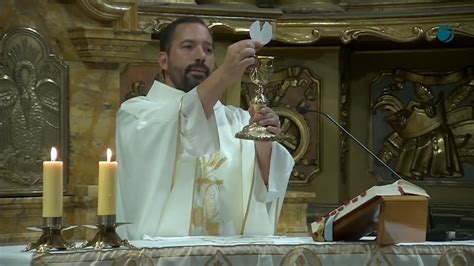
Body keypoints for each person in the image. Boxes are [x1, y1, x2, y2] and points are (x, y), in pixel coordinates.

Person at [116, 17, 294, 240]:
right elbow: (181, 118)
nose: (200, 55)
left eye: (208, 49)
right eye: (188, 46)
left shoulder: (238, 120)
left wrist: (263, 145)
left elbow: (265, 189)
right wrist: (226, 74)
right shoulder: (137, 114)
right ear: (163, 60)